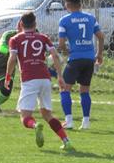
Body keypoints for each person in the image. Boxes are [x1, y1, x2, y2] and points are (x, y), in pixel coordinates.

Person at [5, 12, 74, 151]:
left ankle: (35, 125)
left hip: (29, 80)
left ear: (21, 24)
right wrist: (60, 76)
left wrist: (8, 76)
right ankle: (66, 141)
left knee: (25, 117)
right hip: (45, 79)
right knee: (47, 114)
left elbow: (12, 59)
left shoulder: (15, 39)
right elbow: (55, 55)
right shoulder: (43, 37)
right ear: (35, 24)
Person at [58, 0, 105, 130]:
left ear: (67, 5)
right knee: (84, 90)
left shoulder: (64, 20)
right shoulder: (91, 18)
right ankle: (86, 122)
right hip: (89, 59)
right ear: (80, 5)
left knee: (64, 88)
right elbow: (101, 37)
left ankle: (69, 121)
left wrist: (66, 52)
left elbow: (61, 44)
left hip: (75, 59)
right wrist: (99, 54)